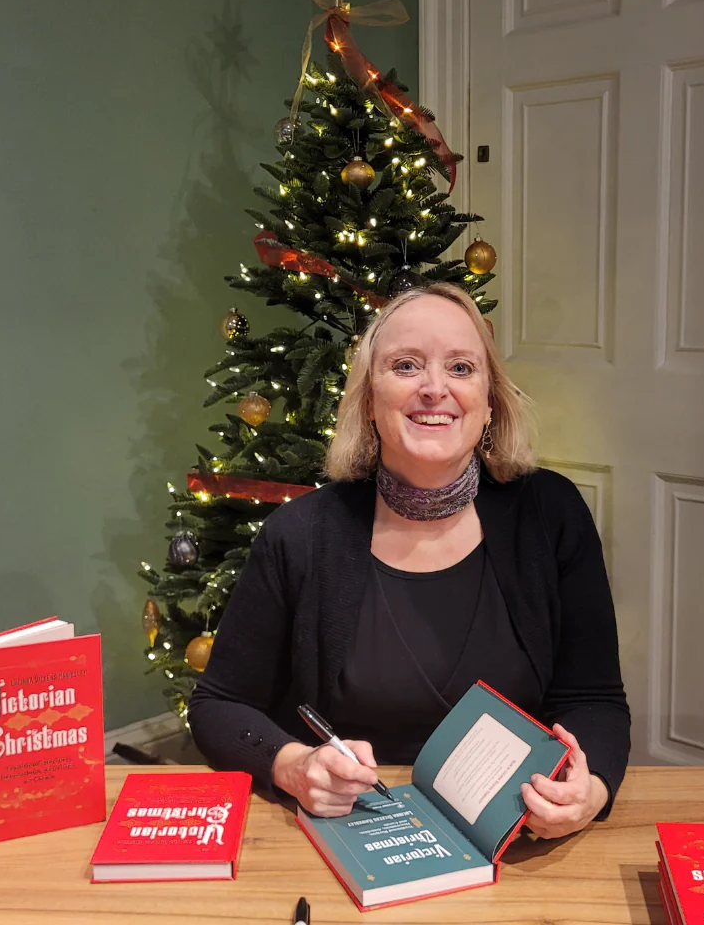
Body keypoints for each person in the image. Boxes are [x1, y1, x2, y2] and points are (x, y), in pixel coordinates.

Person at [189, 283, 630, 839]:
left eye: (462, 368)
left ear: (490, 400)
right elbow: (218, 704)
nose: (434, 388)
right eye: (405, 365)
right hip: (353, 833)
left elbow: (594, 699)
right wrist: (293, 766)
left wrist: (589, 792)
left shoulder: (551, 512)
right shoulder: (299, 535)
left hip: (515, 841)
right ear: (368, 400)